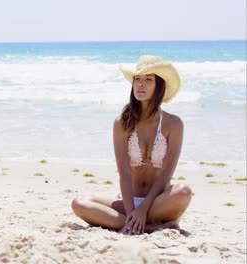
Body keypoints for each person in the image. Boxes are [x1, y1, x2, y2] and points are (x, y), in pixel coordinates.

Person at [71, 55, 192, 235]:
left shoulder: (173, 124)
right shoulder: (122, 123)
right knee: (79, 203)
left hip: (157, 202)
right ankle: (150, 227)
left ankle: (132, 222)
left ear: (160, 86)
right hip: (127, 201)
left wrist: (143, 209)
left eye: (148, 80)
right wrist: (132, 212)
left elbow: (166, 174)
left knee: (183, 192)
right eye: (137, 79)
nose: (140, 84)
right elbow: (124, 172)